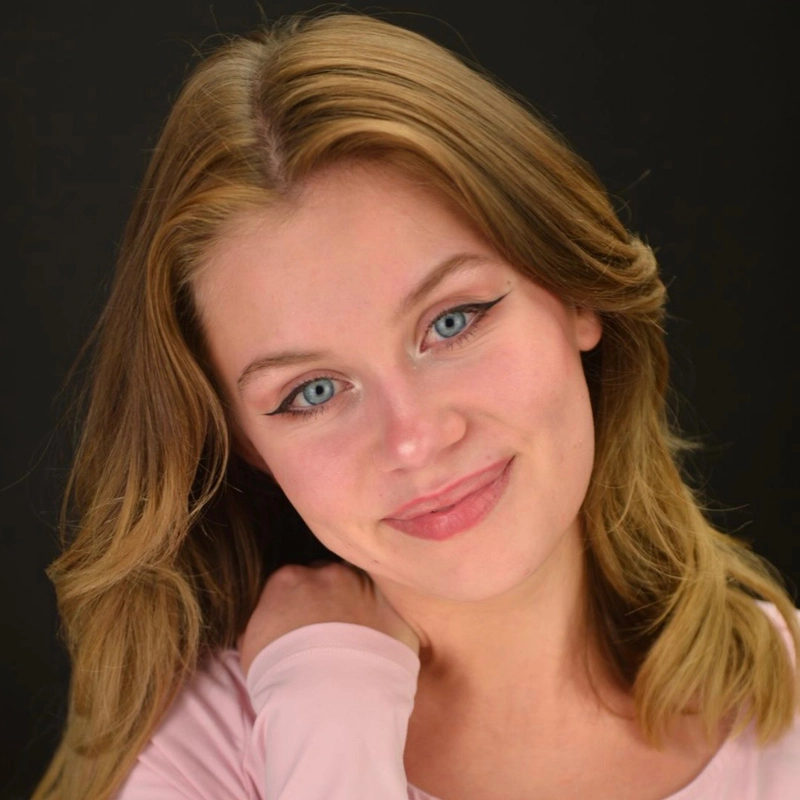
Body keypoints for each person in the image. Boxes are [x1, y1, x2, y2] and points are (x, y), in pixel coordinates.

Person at [34, 11, 799, 800]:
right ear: (245, 441)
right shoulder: (196, 767)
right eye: (313, 392)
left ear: (575, 291)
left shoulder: (787, 699)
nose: (415, 439)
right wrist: (329, 714)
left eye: (452, 321)